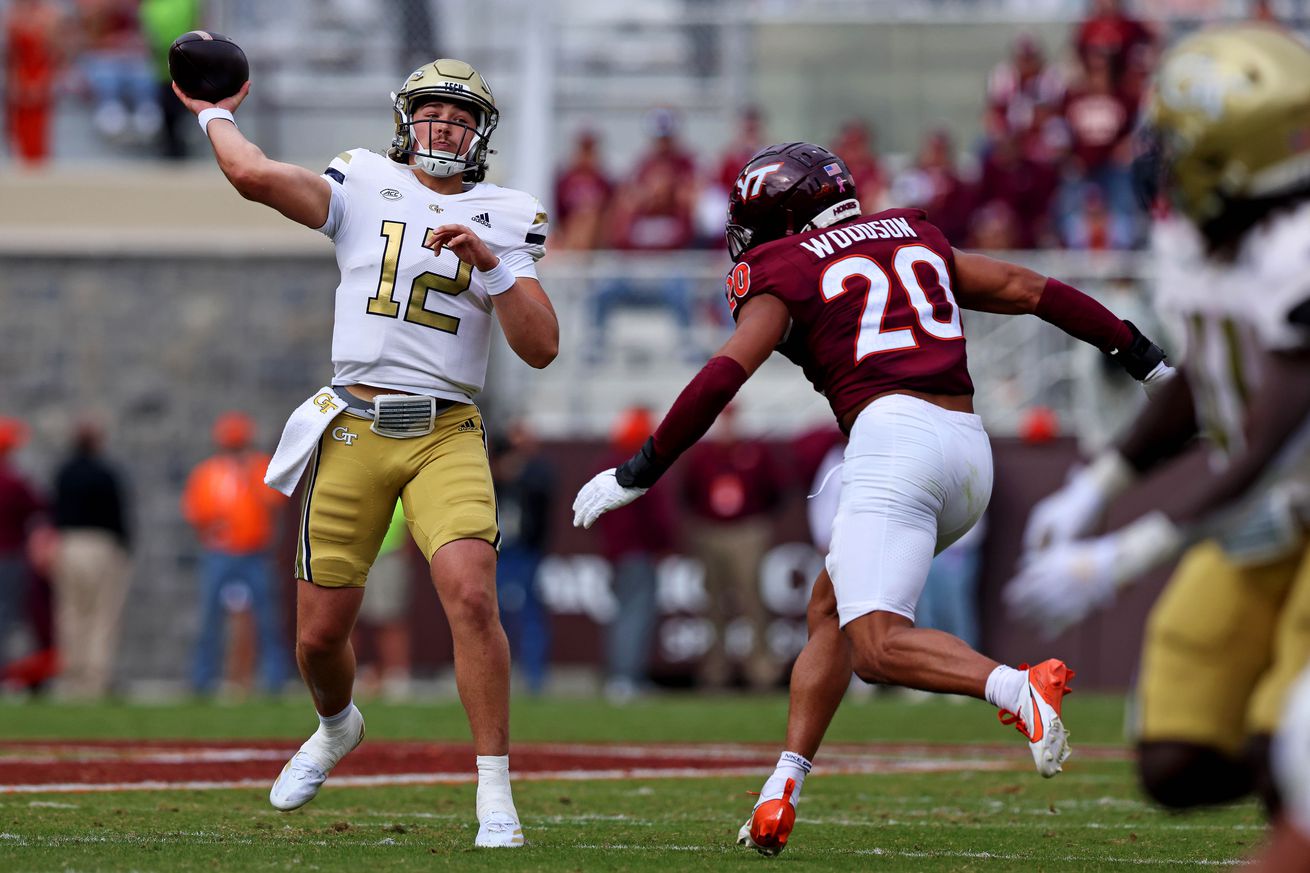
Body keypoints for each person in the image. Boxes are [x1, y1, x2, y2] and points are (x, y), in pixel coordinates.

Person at [571, 141, 1174, 856]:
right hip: (967, 448)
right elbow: (1024, 287)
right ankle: (781, 788)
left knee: (877, 646)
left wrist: (638, 469)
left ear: (786, 217)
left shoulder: (786, 265)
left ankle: (1018, 689)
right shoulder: (911, 231)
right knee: (829, 608)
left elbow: (723, 375)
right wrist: (1145, 359)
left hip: (894, 443)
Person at [172, 56, 558, 847]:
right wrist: (214, 111)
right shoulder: (360, 179)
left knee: (472, 593)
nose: (443, 126)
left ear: (481, 132)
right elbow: (254, 177)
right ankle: (337, 723)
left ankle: (493, 789)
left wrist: (490, 262)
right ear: (405, 121)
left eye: (459, 116)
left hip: (446, 428)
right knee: (318, 634)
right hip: (353, 424)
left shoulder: (508, 213)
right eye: (431, 113)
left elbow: (543, 345)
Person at [1005, 24, 1310, 819]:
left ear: (1233, 153)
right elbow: (1203, 372)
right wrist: (1096, 481)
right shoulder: (1199, 235)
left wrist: (1133, 549)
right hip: (1269, 514)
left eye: (1180, 140)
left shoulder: (1297, 248)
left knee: (1296, 760)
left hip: (1283, 493)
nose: (1160, 156)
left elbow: (1279, 427)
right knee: (1176, 760)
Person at [182, 412, 290, 697]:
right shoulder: (207, 472)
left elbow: (273, 501)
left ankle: (274, 679)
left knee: (267, 617)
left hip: (255, 553)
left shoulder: (260, 467)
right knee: (210, 618)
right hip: (220, 553)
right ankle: (202, 679)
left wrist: (248, 475)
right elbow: (197, 510)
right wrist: (211, 529)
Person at [681, 404, 785, 690]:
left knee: (752, 598)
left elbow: (775, 490)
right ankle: (715, 671)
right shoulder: (703, 455)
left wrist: (756, 519)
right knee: (713, 602)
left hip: (746, 529)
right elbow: (688, 492)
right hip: (710, 531)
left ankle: (762, 670)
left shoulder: (755, 453)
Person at [594, 406, 677, 702]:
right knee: (636, 615)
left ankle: (623, 676)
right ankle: (625, 677)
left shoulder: (608, 464)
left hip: (617, 552)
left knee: (623, 613)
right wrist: (665, 544)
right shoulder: (643, 466)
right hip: (639, 551)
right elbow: (658, 515)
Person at [50, 419, 131, 699]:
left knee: (71, 612)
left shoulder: (64, 472)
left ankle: (73, 676)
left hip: (70, 544)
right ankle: (96, 678)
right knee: (102, 614)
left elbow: (54, 510)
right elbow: (118, 514)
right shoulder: (105, 473)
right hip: (100, 544)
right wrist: (124, 548)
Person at [491, 420, 556, 695]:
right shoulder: (491, 473)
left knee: (530, 611)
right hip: (499, 551)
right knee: (496, 613)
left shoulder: (537, 472)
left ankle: (534, 677)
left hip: (526, 550)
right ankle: (497, 675)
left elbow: (545, 491)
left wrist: (520, 472)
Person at [354, 500, 414, 700]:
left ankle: (396, 679)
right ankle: (348, 678)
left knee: (390, 618)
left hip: (387, 551)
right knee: (346, 621)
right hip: (349, 552)